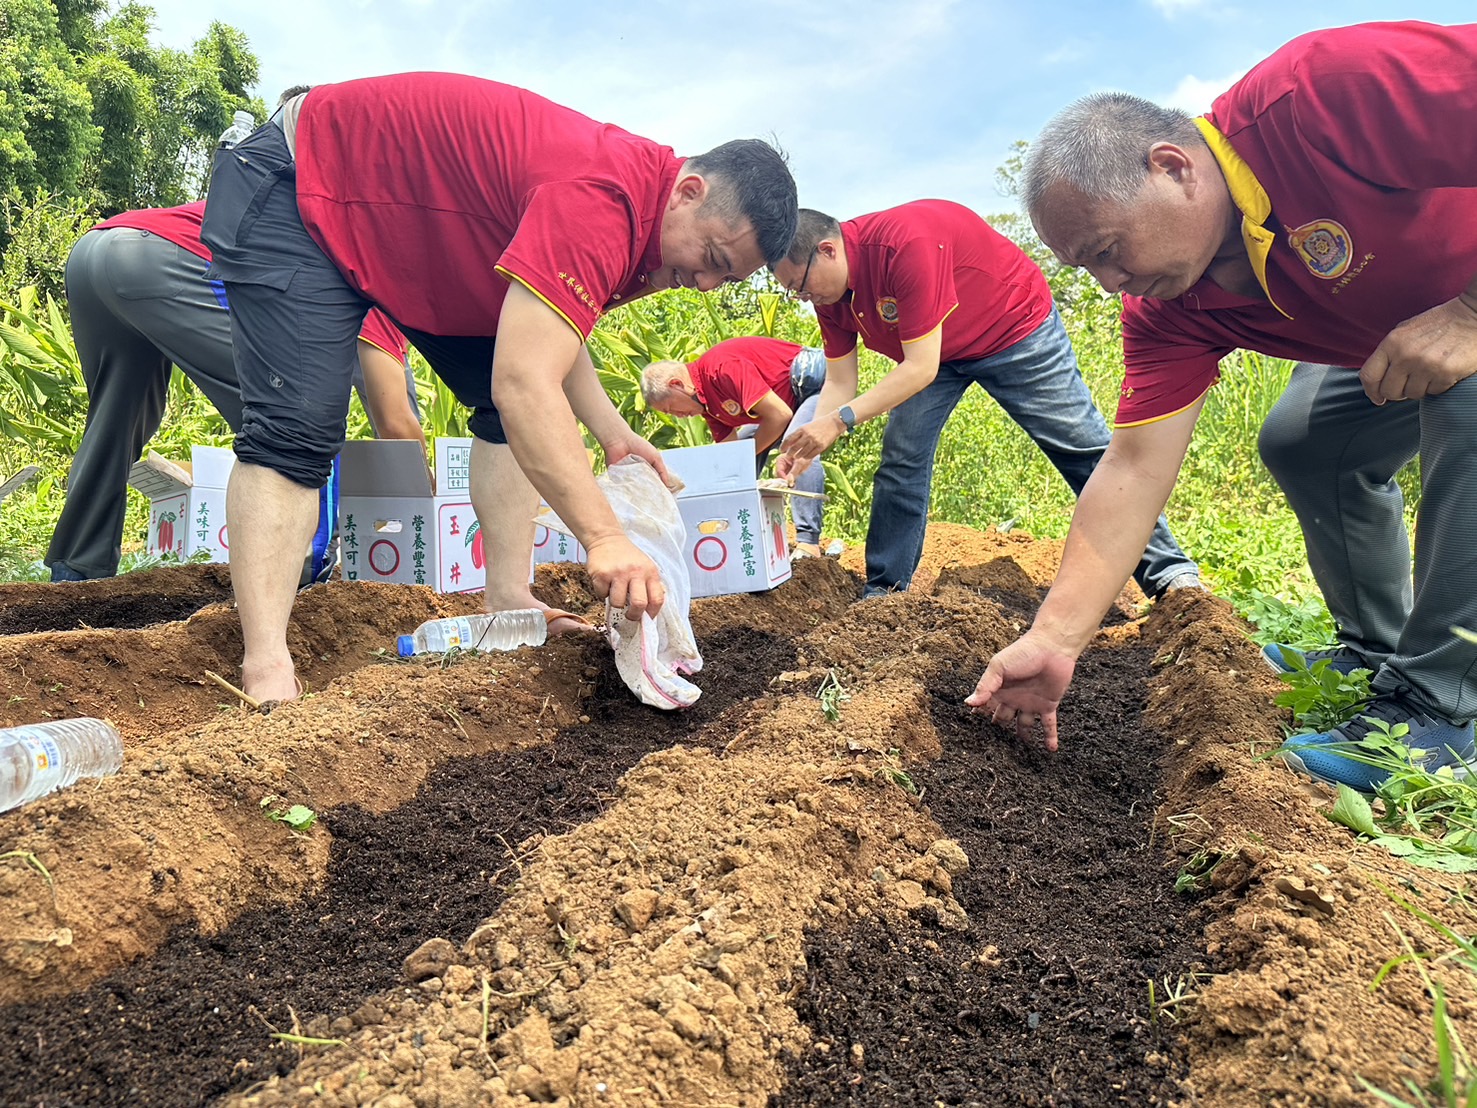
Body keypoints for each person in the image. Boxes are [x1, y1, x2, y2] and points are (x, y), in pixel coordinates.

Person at [971, 21, 1477, 792]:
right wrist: (1054, 636)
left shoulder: (1322, 95)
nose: (1108, 283)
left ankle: (1441, 709)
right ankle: (1372, 644)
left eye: (1107, 250)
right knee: (1304, 440)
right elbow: (1134, 468)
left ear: (1172, 167)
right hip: (1407, 333)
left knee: (1466, 398)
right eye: (1086, 267)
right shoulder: (1168, 305)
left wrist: (1468, 313)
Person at [200, 74, 797, 702]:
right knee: (294, 431)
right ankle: (265, 667)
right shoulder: (603, 199)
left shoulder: (641, 212)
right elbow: (526, 384)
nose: (703, 284)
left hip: (408, 240)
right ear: (690, 192)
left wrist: (614, 434)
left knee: (496, 400)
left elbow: (552, 339)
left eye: (723, 279)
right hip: (304, 185)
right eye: (712, 258)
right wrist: (605, 538)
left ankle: (507, 599)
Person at [769, 202, 1200, 598]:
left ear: (827, 250)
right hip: (937, 352)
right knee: (902, 459)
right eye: (794, 293)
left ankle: (1170, 576)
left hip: (1013, 328)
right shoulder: (831, 297)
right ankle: (886, 591)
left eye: (800, 286)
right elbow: (841, 383)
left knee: (1080, 446)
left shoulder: (904, 244)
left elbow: (918, 369)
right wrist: (807, 445)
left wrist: (839, 422)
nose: (803, 299)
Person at [46, 200, 425, 582]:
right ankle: (307, 573)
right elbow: (396, 425)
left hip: (96, 252)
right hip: (163, 259)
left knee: (117, 420)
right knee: (292, 421)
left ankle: (76, 571)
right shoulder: (375, 276)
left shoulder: (334, 231)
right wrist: (432, 515)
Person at [641, 336, 827, 556]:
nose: (679, 417)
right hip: (787, 403)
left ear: (677, 384)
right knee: (745, 442)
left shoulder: (721, 368)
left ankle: (808, 542)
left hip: (813, 386)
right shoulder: (707, 406)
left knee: (800, 444)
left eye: (672, 408)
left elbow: (779, 415)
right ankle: (741, 526)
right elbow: (728, 458)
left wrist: (741, 457)